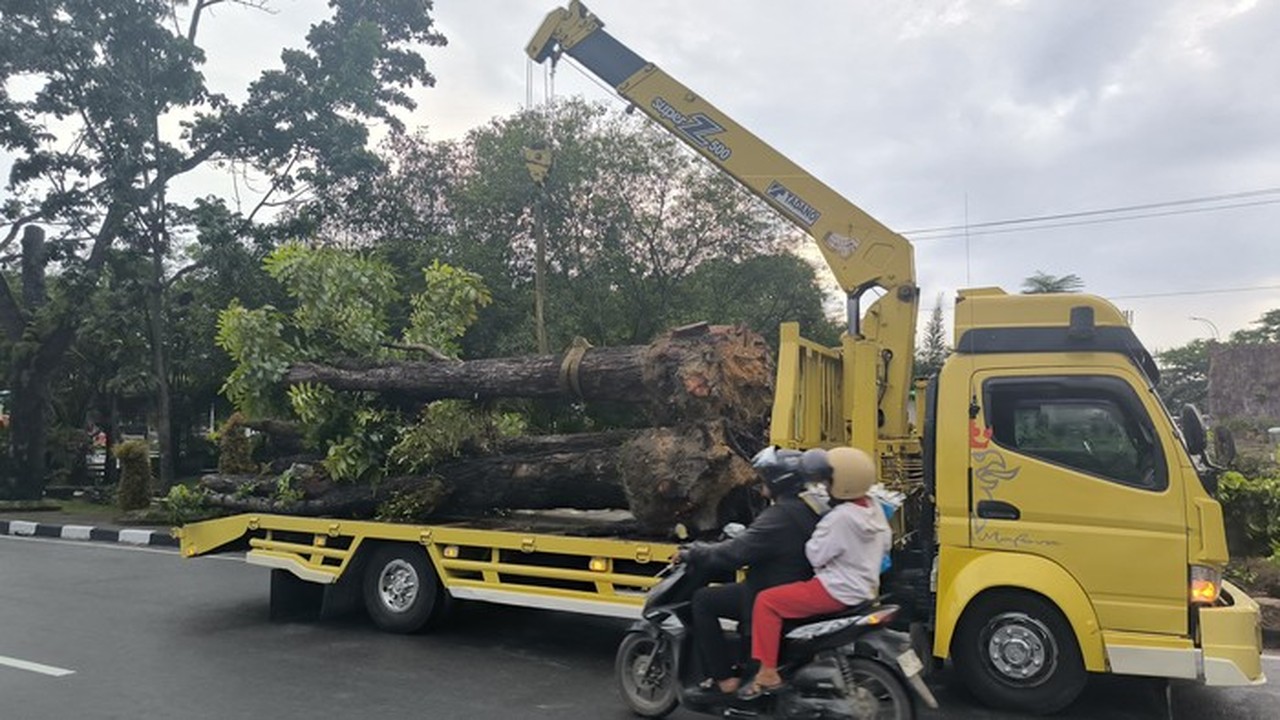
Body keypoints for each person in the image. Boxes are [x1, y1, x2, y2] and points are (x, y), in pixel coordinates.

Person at [740, 446, 892, 699]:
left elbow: (815, 555)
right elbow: (885, 544)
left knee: (766, 602)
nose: (823, 486)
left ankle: (767, 673)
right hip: (865, 588)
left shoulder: (839, 518)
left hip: (834, 589)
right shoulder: (874, 509)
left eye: (827, 481)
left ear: (842, 484)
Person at [679, 447, 825, 698]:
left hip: (768, 589)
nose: (761, 481)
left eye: (766, 476)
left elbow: (736, 552)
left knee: (703, 600)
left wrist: (694, 552)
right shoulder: (808, 509)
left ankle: (724, 678)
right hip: (795, 584)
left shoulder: (779, 515)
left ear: (777, 480)